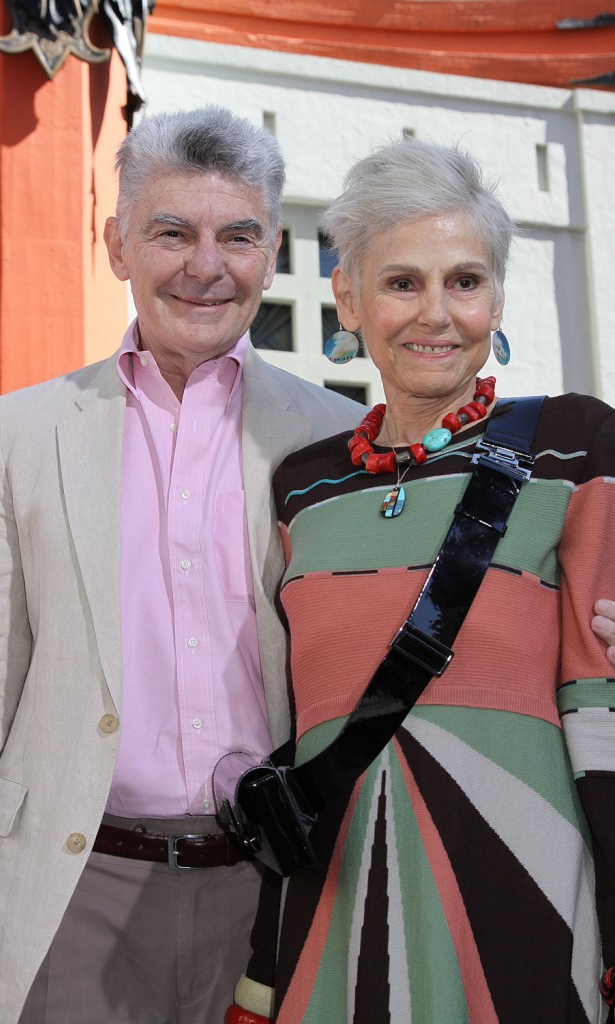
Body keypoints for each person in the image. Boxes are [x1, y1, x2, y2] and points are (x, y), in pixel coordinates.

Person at [0, 107, 364, 1024]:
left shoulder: (335, 438)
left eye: (238, 235)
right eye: (171, 232)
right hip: (71, 888)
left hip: (278, 896)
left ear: (272, 246)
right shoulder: (27, 429)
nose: (205, 266)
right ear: (118, 243)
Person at [227, 138, 615, 1024]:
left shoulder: (578, 444)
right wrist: (263, 959)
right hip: (333, 895)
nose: (436, 314)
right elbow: (290, 735)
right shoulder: (302, 486)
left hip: (526, 893)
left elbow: (603, 713)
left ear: (498, 298)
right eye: (402, 283)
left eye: (465, 281)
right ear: (349, 299)